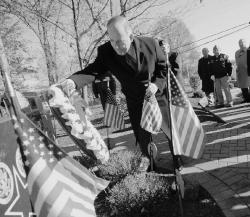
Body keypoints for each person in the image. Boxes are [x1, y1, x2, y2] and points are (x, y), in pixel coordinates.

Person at [60, 16, 167, 168]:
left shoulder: (151, 44)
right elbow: (93, 71)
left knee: (170, 134)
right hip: (135, 101)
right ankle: (152, 166)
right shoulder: (106, 52)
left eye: (119, 40)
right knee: (143, 138)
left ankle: (177, 163)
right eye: (111, 40)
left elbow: (164, 68)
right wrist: (72, 81)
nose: (115, 46)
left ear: (130, 36)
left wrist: (156, 85)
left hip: (158, 95)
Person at [235, 39, 250, 103]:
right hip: (240, 71)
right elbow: (236, 61)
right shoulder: (237, 52)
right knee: (243, 86)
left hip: (248, 70)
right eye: (239, 42)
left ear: (245, 43)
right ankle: (246, 99)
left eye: (242, 42)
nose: (240, 44)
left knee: (248, 84)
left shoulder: (248, 50)